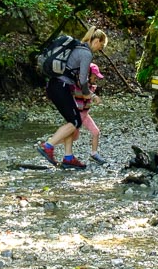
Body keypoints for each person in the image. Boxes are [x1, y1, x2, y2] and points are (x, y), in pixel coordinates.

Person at [38, 27, 107, 170]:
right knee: (75, 121)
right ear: (96, 41)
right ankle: (48, 146)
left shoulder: (77, 47)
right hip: (61, 86)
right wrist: (88, 94)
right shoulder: (86, 53)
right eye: (101, 46)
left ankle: (68, 157)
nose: (99, 49)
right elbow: (82, 80)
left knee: (71, 121)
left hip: (54, 85)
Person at [74, 62, 107, 165]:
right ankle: (53, 146)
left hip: (85, 114)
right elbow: (86, 92)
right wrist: (94, 97)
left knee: (96, 132)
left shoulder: (90, 85)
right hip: (77, 115)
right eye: (94, 76)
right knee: (73, 136)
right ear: (88, 74)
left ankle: (94, 153)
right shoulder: (80, 84)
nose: (95, 78)